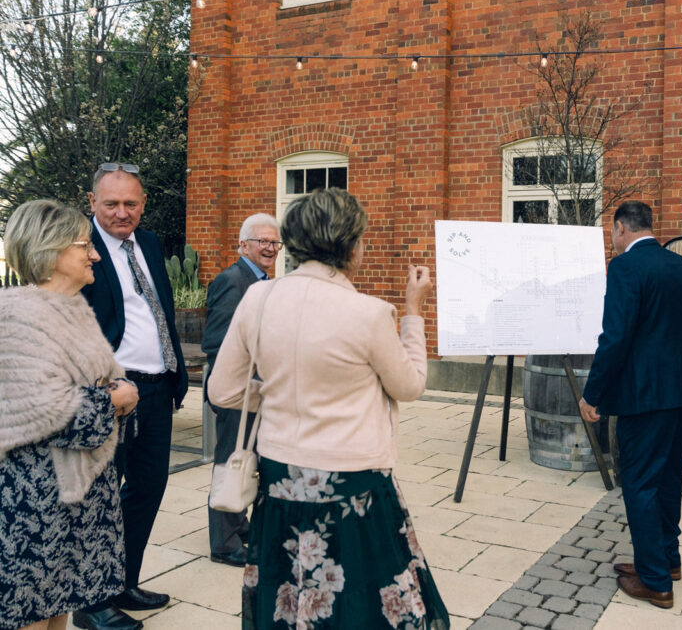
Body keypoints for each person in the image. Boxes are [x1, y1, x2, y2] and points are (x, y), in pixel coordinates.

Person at [207, 188, 449, 628]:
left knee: (291, 594)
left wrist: (279, 390)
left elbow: (222, 391)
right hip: (353, 483)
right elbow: (411, 385)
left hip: (281, 476)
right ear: (350, 245)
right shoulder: (369, 313)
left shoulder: (257, 300)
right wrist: (414, 312)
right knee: (358, 601)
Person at [1, 200, 139, 630]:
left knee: (60, 605)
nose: (95, 254)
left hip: (78, 496)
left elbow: (99, 377)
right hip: (36, 498)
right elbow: (45, 409)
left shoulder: (72, 307)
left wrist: (114, 390)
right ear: (52, 250)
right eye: (85, 245)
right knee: (32, 615)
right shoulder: (18, 317)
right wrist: (114, 399)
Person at [76, 163, 188, 630]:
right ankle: (89, 602)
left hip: (158, 387)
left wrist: (176, 370)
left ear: (142, 204)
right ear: (92, 203)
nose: (122, 213)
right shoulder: (81, 249)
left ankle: (123, 581)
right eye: (112, 203)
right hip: (112, 390)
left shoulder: (152, 243)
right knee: (99, 498)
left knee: (147, 489)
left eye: (131, 203)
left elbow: (158, 306)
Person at [577, 201, 682, 609]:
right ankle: (666, 561)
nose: (611, 240)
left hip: (643, 397)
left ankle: (655, 582)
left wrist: (592, 393)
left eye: (611, 233)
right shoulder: (681, 265)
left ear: (620, 229)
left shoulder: (626, 268)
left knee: (639, 483)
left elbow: (615, 337)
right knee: (667, 479)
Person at [201, 213, 281, 567]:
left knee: (247, 459)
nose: (269, 247)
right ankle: (224, 544)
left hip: (256, 390)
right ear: (243, 245)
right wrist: (240, 382)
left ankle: (240, 524)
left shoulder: (264, 281)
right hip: (235, 390)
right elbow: (215, 341)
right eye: (262, 241)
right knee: (229, 462)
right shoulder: (232, 281)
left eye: (274, 242)